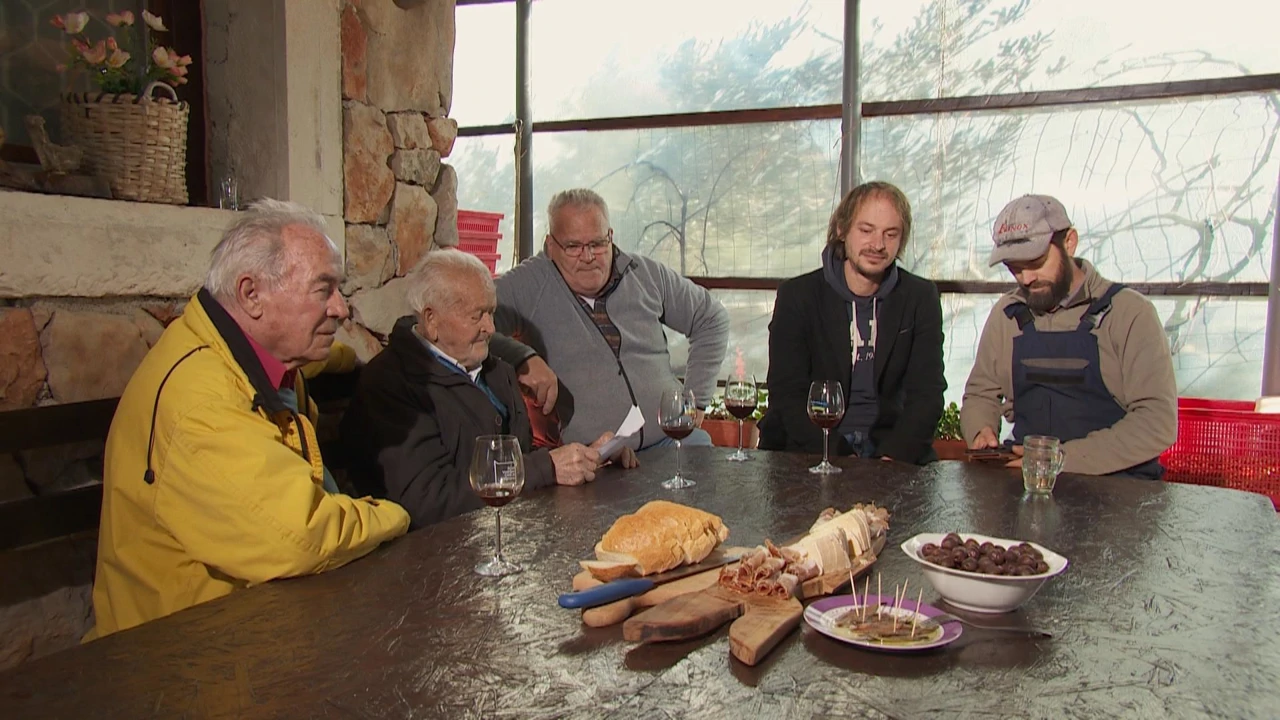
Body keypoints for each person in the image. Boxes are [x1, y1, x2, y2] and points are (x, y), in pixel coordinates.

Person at [89, 199, 410, 640]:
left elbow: (307, 359)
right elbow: (299, 536)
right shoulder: (202, 406)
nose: (341, 308)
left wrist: (345, 359)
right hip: (185, 647)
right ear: (251, 295)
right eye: (323, 290)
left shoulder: (237, 348)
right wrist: (396, 516)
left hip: (259, 617)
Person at [340, 250, 637, 529]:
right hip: (436, 555)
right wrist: (546, 467)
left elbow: (522, 457)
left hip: (513, 534)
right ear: (431, 321)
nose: (491, 328)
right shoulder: (390, 386)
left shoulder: (497, 372)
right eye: (477, 316)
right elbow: (428, 500)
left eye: (491, 313)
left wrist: (586, 456)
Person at [492, 188, 730, 451]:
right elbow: (467, 326)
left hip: (673, 440)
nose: (588, 257)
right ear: (550, 245)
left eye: (597, 243)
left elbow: (711, 318)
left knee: (716, 472)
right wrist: (522, 357)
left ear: (611, 237)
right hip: (592, 460)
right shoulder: (528, 284)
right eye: (573, 247)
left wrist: (697, 401)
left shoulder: (645, 274)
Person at [961, 194, 1177, 478]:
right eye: (1014, 268)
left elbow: (1157, 421)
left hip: (1118, 489)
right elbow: (981, 393)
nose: (1026, 278)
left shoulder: (1129, 313)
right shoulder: (1008, 314)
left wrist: (1060, 459)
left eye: (1035, 262)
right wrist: (981, 430)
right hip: (1029, 483)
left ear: (1069, 242)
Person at [759, 181, 946, 464]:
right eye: (866, 230)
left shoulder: (920, 297)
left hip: (892, 453)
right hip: (810, 451)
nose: (878, 245)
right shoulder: (798, 296)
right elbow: (787, 395)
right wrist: (841, 460)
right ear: (842, 229)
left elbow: (927, 394)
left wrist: (892, 459)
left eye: (890, 234)